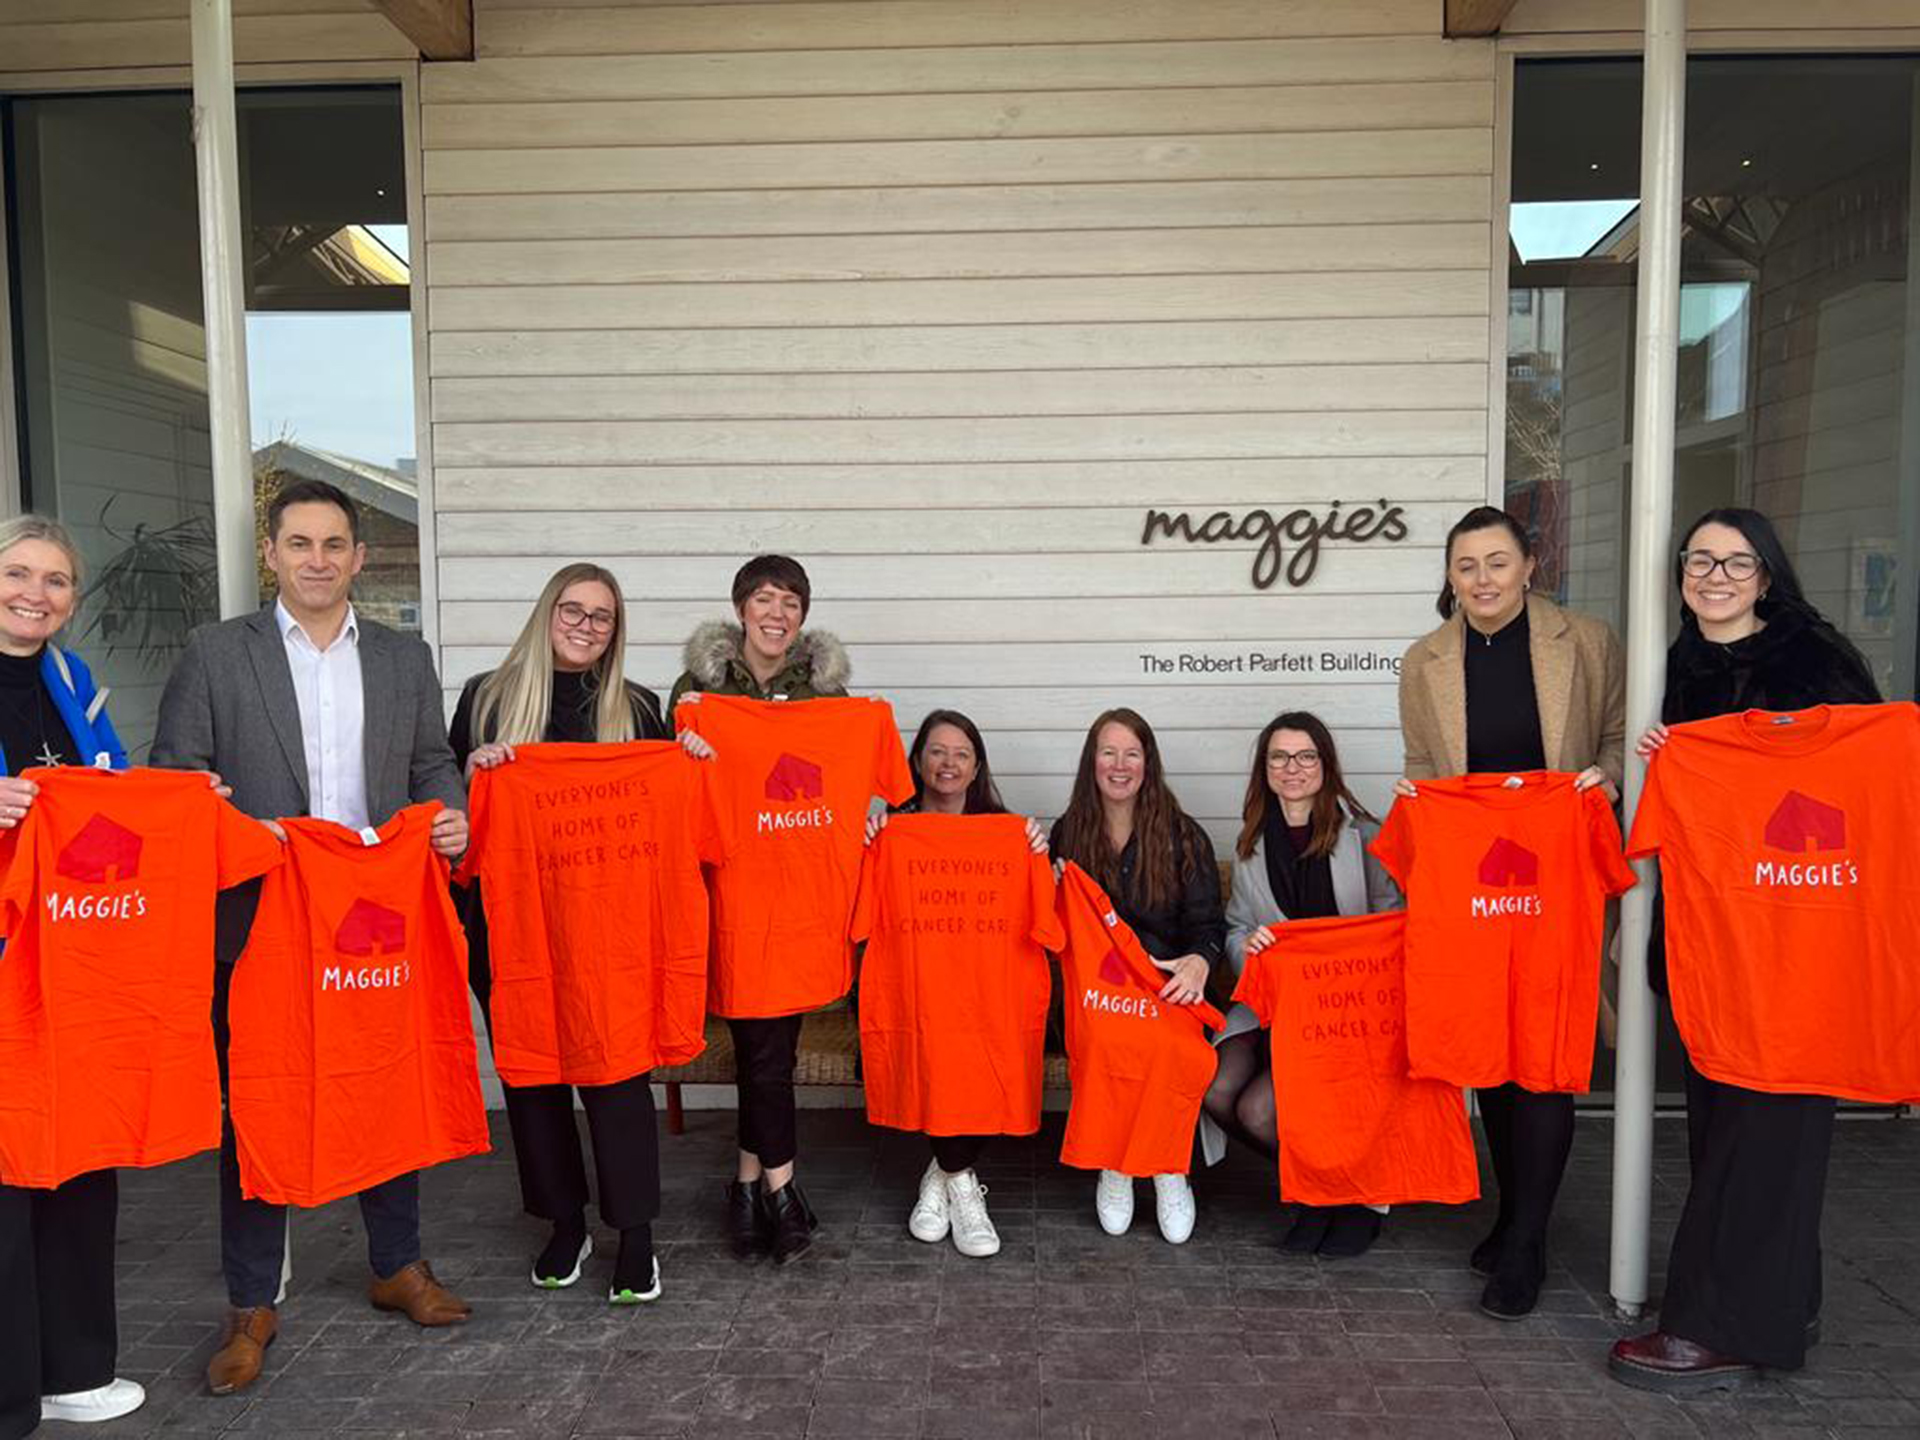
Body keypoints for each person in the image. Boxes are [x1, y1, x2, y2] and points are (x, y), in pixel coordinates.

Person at [152, 479, 472, 1397]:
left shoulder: (405, 658)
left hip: (372, 925)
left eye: (335, 544)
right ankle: (252, 1301)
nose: (318, 560)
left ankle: (397, 1265)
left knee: (386, 1088)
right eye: (300, 543)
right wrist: (225, 821)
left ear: (360, 557)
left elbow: (431, 763)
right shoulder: (217, 653)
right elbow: (179, 777)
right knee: (259, 1104)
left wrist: (448, 814)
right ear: (272, 554)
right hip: (261, 922)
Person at [1610, 508, 1880, 1392]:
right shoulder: (1682, 663)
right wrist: (1670, 756)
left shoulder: (1816, 658)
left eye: (1735, 562)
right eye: (1699, 561)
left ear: (1767, 572)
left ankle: (1714, 1326)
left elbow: (1866, 772)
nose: (1714, 577)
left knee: (1766, 1134)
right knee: (1731, 1127)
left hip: (1801, 945)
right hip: (1715, 945)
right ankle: (1781, 1302)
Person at [1395, 504, 1623, 1319]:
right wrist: (1419, 799)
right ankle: (1513, 1213)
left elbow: (1619, 735)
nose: (1482, 579)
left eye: (1497, 562)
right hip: (1474, 883)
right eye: (1466, 566)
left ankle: (1527, 1242)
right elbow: (1423, 759)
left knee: (1545, 1052)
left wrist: (1605, 780)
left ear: (1530, 566)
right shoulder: (1424, 660)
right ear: (1450, 577)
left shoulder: (1585, 641)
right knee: (1489, 1052)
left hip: (1555, 873)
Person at [449, 563, 677, 1304]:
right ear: (547, 613)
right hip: (513, 926)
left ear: (616, 630)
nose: (586, 626)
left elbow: (667, 807)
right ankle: (565, 1223)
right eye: (573, 610)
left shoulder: (638, 709)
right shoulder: (487, 699)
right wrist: (473, 771)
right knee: (533, 1078)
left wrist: (693, 760)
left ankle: (636, 1235)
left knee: (618, 1080)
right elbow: (448, 814)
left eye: (602, 616)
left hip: (610, 932)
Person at [0, 516, 146, 1438]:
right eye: (18, 573)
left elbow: (113, 782)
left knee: (81, 1158)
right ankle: (9, 1394)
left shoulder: (72, 678)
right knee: (7, 1176)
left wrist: (176, 803)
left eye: (56, 581)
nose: (36, 594)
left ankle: (76, 1369)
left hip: (75, 957)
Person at [668, 554, 849, 1263]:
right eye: (766, 600)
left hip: (799, 900)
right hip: (728, 895)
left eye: (791, 603)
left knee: (766, 1049)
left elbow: (844, 781)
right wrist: (683, 749)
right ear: (741, 608)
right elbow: (668, 788)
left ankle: (756, 1186)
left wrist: (864, 814)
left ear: (803, 616)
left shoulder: (827, 695)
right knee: (763, 1048)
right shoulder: (699, 690)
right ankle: (779, 1190)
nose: (778, 614)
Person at [1207, 710, 1398, 1258]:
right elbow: (1236, 927)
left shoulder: (1366, 836)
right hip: (1276, 1006)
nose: (1292, 768)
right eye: (1279, 757)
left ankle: (1353, 1196)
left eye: (1305, 756)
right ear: (1265, 769)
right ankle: (1319, 1185)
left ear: (1325, 764)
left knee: (1258, 1110)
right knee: (1216, 1088)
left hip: (1347, 1013)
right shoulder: (1251, 843)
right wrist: (1250, 948)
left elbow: (1393, 923)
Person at [867, 709, 1047, 1259]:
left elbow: (1045, 917)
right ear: (918, 761)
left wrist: (1037, 851)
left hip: (988, 993)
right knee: (943, 1047)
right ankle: (962, 1186)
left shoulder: (1009, 833)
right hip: (917, 991)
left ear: (977, 767)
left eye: (961, 754)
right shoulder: (891, 831)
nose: (949, 763)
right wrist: (869, 842)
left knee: (991, 1052)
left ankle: (943, 1177)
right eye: (937, 751)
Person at [1048, 708, 1223, 1244]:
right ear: (1092, 762)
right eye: (1108, 752)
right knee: (1107, 1040)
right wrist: (1048, 883)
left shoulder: (1183, 835)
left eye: (1131, 753)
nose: (1119, 765)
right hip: (1095, 994)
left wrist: (1200, 961)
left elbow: (1208, 926)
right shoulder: (1068, 833)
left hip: (1165, 986)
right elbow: (1051, 929)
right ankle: (1115, 1164)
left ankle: (1168, 1167)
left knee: (1170, 1045)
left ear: (1149, 763)